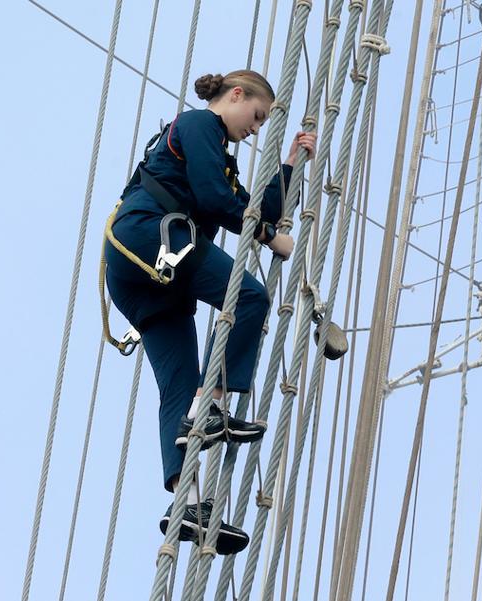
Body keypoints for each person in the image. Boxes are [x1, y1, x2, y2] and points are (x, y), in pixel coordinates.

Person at [104, 70, 317, 554]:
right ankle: (214, 404)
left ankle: (188, 503)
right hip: (150, 235)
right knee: (250, 297)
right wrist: (267, 237)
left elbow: (251, 208)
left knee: (178, 384)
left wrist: (290, 167)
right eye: (257, 116)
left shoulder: (220, 158)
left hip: (147, 274)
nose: (256, 128)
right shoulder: (200, 125)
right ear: (236, 96)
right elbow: (214, 199)